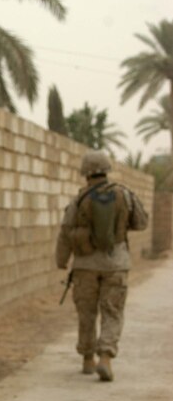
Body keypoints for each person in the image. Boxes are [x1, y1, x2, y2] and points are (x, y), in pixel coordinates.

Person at [55, 150, 148, 381]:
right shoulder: (124, 195)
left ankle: (88, 359)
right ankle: (105, 356)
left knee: (86, 313)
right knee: (112, 311)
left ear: (85, 173)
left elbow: (66, 232)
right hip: (116, 264)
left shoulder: (79, 199)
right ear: (107, 170)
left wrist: (61, 260)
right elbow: (142, 222)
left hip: (85, 266)